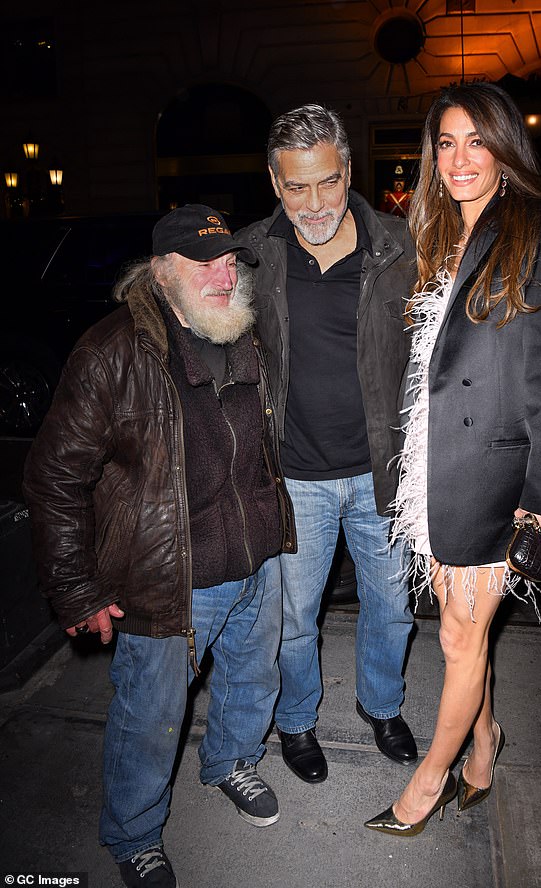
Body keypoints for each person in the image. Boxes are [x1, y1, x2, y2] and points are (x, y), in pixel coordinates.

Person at [22, 205, 295, 888]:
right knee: (151, 715)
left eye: (231, 260)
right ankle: (135, 831)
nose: (224, 274)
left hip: (254, 552)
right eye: (206, 263)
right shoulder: (110, 351)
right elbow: (54, 477)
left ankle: (231, 760)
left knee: (251, 678)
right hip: (167, 573)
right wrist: (76, 590)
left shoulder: (241, 330)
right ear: (162, 272)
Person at [364, 82, 541, 836]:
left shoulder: (535, 225)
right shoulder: (440, 232)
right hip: (438, 462)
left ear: (503, 148)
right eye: (445, 143)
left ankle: (428, 783)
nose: (459, 158)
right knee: (464, 630)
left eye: (476, 141)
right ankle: (484, 744)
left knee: (459, 634)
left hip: (497, 471)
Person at [236, 104, 418, 784]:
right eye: (294, 186)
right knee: (294, 617)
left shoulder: (400, 247)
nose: (312, 204)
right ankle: (297, 720)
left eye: (327, 183)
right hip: (296, 474)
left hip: (383, 471)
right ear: (274, 181)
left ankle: (383, 704)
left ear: (350, 171)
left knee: (391, 607)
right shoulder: (253, 252)